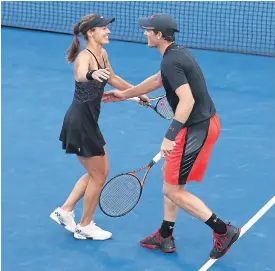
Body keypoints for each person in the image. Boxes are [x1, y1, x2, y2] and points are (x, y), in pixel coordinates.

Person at [102, 14, 240, 258]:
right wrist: (125, 94)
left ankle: (223, 230)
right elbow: (158, 80)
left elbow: (187, 100)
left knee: (173, 190)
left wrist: (170, 135)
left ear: (158, 35)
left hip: (195, 128)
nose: (144, 33)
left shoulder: (170, 61)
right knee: (170, 178)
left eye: (148, 30)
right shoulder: (177, 53)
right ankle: (165, 236)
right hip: (205, 123)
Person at [50, 13, 149, 240]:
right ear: (91, 32)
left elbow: (112, 78)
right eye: (104, 28)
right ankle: (84, 226)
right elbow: (80, 75)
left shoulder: (102, 53)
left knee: (97, 172)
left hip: (86, 122)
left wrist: (136, 94)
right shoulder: (84, 57)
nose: (108, 31)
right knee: (99, 174)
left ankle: (65, 211)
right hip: (80, 122)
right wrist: (92, 74)